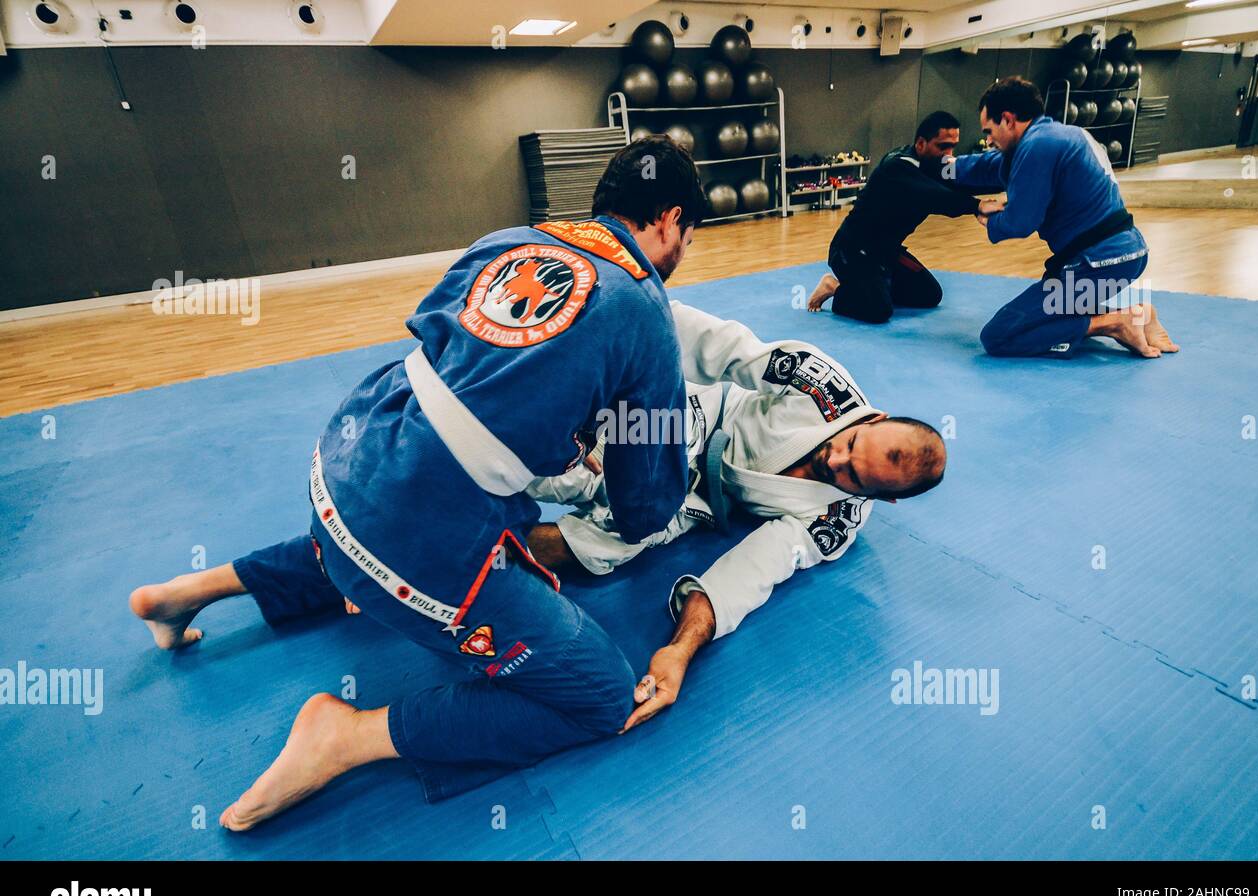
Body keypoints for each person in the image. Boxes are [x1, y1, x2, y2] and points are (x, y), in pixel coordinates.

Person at [129, 135, 709, 828]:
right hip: (409, 532)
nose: (681, 253)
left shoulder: (513, 236)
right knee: (602, 694)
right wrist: (643, 447)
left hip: (347, 453)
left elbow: (451, 348)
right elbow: (644, 507)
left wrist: (565, 428)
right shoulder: (644, 309)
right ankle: (347, 737)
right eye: (688, 236)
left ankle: (190, 590)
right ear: (671, 219)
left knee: (425, 494)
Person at [525, 301, 947, 728]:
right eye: (852, 443)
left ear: (880, 498)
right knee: (585, 468)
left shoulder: (835, 521)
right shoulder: (820, 382)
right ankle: (476, 467)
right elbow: (723, 345)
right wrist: (627, 314)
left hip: (703, 500)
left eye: (853, 476)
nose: (835, 459)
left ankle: (493, 553)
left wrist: (679, 651)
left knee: (620, 539)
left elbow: (752, 572)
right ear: (874, 418)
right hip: (698, 416)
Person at [947, 76, 1179, 358]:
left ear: (1007, 119)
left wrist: (989, 217)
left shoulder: (1038, 146)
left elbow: (1021, 222)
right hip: (1122, 256)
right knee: (1048, 314)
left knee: (999, 336)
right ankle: (1139, 315)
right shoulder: (1056, 137)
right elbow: (987, 166)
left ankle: (1116, 322)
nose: (988, 139)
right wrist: (942, 168)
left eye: (989, 130)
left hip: (1096, 264)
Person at [807, 110, 1005, 322]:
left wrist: (1012, 179)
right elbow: (935, 196)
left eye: (952, 147)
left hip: (887, 253)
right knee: (879, 311)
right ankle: (834, 287)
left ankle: (873, 287)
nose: (949, 154)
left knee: (929, 294)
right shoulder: (898, 166)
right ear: (921, 143)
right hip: (852, 252)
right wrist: (977, 205)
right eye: (942, 146)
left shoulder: (935, 168)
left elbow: (965, 181)